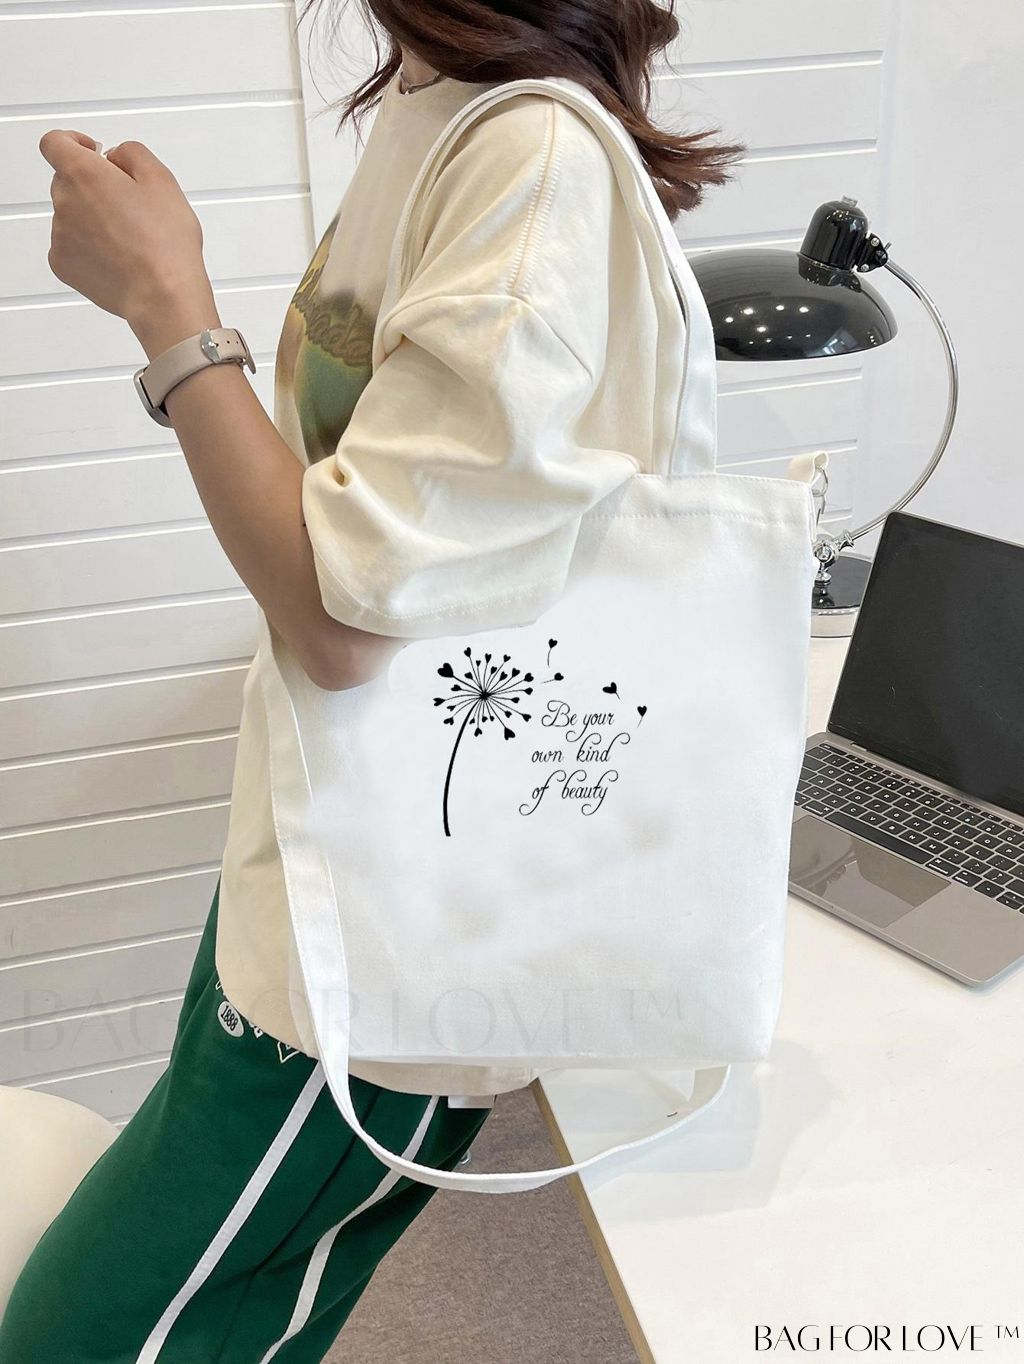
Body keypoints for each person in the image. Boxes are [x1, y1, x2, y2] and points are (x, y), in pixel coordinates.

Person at [0, 2, 742, 1358]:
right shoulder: (438, 99)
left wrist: (169, 309)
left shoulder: (530, 161)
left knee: (88, 1336)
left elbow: (346, 619)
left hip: (401, 932)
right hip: (317, 855)